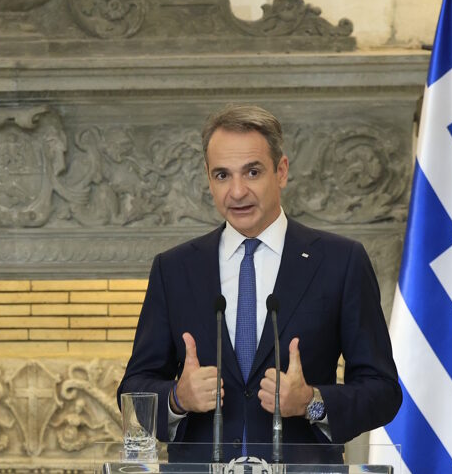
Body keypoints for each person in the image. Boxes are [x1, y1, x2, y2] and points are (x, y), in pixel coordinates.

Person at [117, 105, 400, 463]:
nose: (237, 192)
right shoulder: (174, 269)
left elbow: (382, 391)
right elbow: (133, 389)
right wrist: (177, 399)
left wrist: (311, 403)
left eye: (252, 172)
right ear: (208, 179)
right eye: (222, 175)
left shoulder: (341, 261)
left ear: (281, 171)